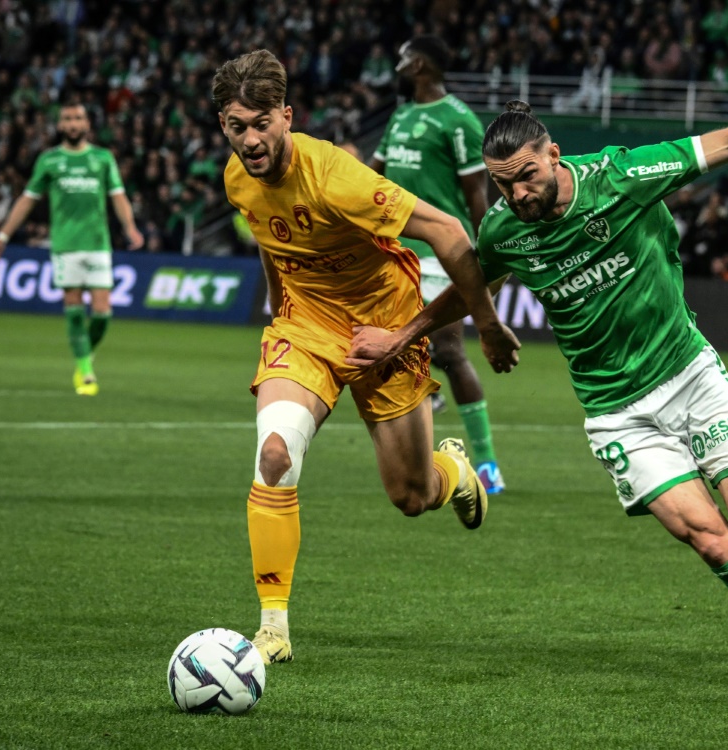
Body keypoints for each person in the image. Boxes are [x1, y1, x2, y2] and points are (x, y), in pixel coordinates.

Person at [348, 61, 728, 697]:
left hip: (690, 375)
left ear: (555, 155)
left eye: (528, 178)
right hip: (616, 412)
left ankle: (712, 463)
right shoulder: (506, 229)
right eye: (504, 186)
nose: (518, 196)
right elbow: (471, 284)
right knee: (709, 540)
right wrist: (409, 334)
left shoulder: (623, 176)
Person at [211, 49, 519, 665]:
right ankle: (273, 628)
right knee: (275, 454)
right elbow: (273, 237)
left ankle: (453, 473)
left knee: (412, 496)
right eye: (235, 126)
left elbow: (452, 232)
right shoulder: (236, 178)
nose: (249, 139)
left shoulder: (337, 177)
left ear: (286, 116)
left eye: (261, 123)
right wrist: (278, 306)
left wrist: (485, 323)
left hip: (384, 329)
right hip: (306, 328)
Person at [371, 35, 506, 494]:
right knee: (380, 349)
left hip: (436, 257)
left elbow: (476, 197)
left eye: (404, 57)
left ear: (422, 64)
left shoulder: (458, 120)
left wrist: (487, 263)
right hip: (391, 256)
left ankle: (487, 465)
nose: (397, 64)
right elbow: (372, 180)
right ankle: (424, 451)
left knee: (450, 353)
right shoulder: (401, 116)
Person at [0, 102, 144, 395]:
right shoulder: (49, 160)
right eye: (68, 119)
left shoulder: (102, 158)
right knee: (73, 308)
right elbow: (27, 200)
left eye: (78, 118)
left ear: (87, 124)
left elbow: (118, 197)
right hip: (65, 246)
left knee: (102, 312)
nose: (73, 123)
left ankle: (84, 355)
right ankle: (84, 370)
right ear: (60, 125)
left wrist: (130, 227)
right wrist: (2, 237)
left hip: (97, 244)